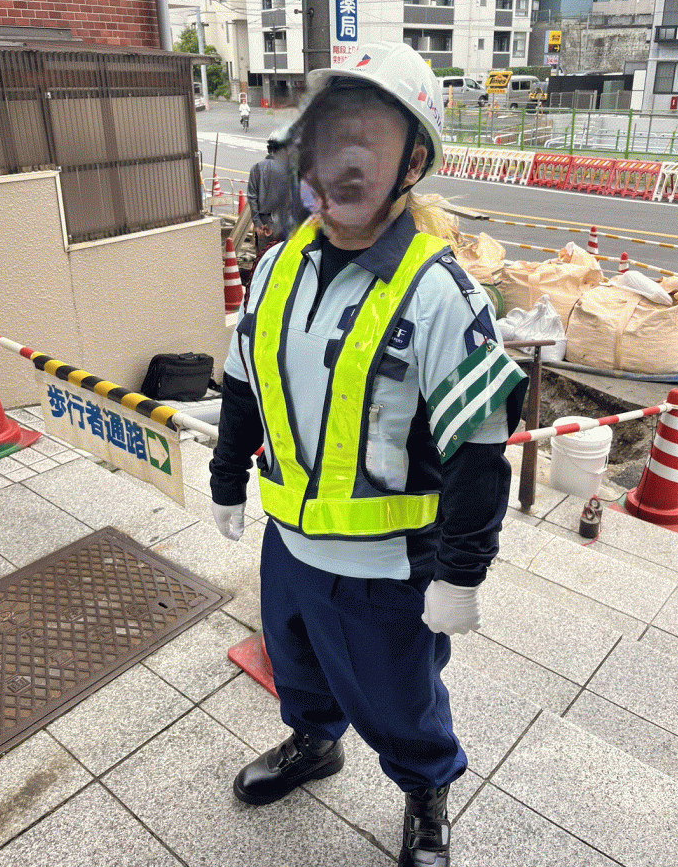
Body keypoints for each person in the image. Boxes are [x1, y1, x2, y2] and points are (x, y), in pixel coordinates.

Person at [210, 42, 527, 867]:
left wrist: (462, 574)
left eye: (369, 142)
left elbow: (478, 453)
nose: (343, 164)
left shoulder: (440, 295)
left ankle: (427, 792)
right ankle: (314, 742)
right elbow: (244, 382)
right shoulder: (277, 267)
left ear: (411, 162)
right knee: (297, 665)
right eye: (329, 139)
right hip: (290, 544)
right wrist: (226, 477)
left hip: (387, 567)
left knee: (399, 701)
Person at [246, 129, 292, 255]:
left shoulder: (256, 168)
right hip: (281, 224)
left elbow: (252, 197)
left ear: (268, 148)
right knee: (280, 259)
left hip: (261, 224)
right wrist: (271, 225)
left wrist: (257, 223)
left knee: (262, 259)